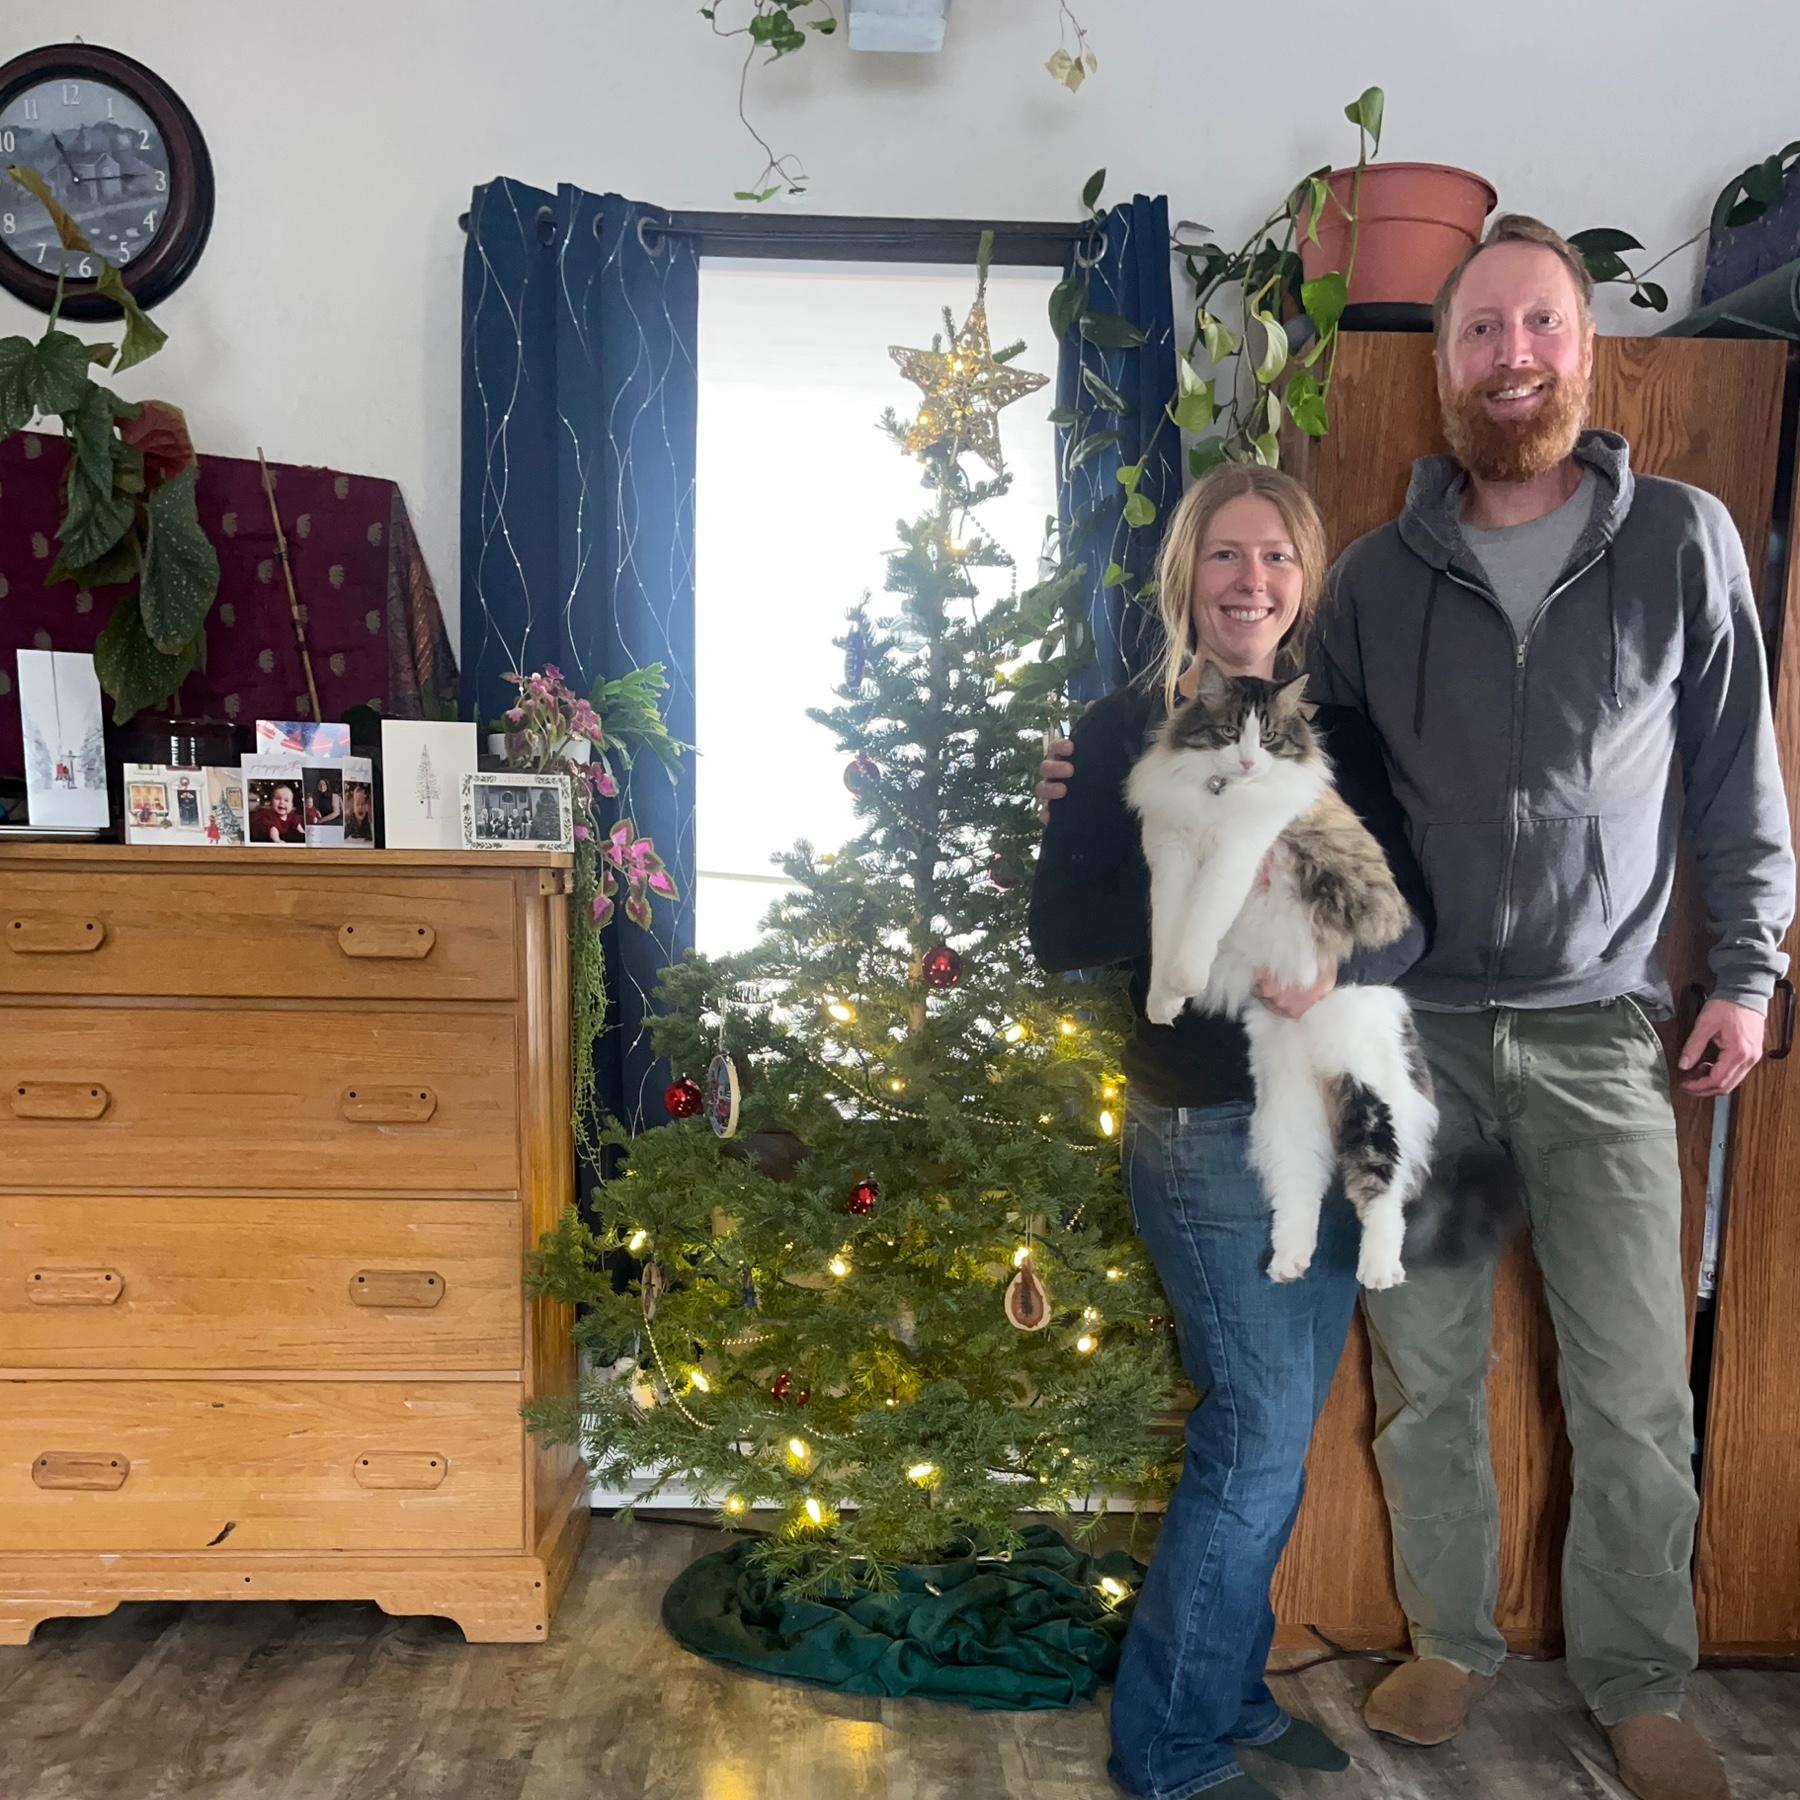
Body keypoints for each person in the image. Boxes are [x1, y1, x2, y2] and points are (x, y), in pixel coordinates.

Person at [1039, 216, 1794, 1800]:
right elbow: (1276, 743)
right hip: (1410, 1044)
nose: (1512, 357)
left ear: (1584, 348)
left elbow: (1739, 767)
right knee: (1429, 1370)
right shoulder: (1376, 580)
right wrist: (1099, 781)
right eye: (1481, 332)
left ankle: (1643, 1684)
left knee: (1633, 1386)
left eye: (1540, 326)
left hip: (1601, 1035)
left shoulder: (1683, 539)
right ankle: (1452, 1641)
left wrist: (1748, 968)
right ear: (1446, 361)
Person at [1030, 464, 1429, 1800]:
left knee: (1279, 1435)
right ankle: (1169, 1750)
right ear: (1186, 574)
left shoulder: (1339, 734)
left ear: (1304, 584)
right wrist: (1207, 876)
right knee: (1252, 1441)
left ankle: (1228, 1689)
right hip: (1203, 1124)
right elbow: (1057, 930)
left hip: (1320, 1111)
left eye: (1276, 559)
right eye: (1225, 555)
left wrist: (1339, 955)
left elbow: (1414, 916)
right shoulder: (1119, 729)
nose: (1250, 582)